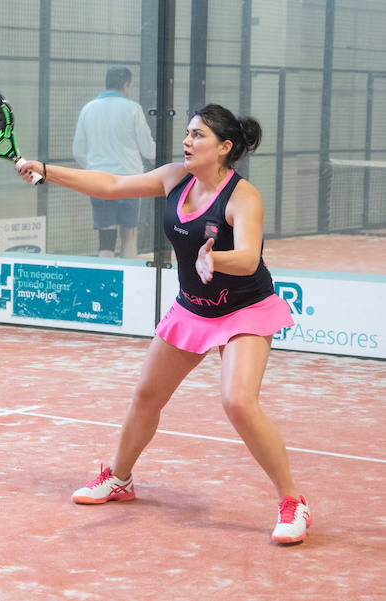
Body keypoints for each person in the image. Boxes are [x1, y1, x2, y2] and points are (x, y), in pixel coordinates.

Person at [18, 104, 311, 544]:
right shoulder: (176, 177)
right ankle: (119, 479)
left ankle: (293, 501)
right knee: (146, 395)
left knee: (237, 402)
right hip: (193, 307)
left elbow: (249, 257)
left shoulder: (243, 196)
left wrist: (217, 258)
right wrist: (46, 170)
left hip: (244, 309)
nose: (187, 142)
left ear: (224, 148)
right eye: (188, 134)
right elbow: (113, 184)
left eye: (198, 136)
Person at [72, 66, 155, 258]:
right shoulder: (133, 109)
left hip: (99, 181)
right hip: (130, 181)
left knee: (106, 239)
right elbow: (147, 148)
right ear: (127, 84)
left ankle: (104, 284)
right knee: (130, 235)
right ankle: (130, 282)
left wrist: (94, 169)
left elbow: (78, 151)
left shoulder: (88, 109)